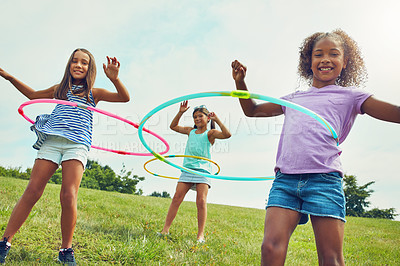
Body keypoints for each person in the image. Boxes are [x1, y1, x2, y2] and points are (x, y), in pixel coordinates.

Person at [231, 29, 400, 265]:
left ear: (345, 62)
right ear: (309, 62)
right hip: (286, 181)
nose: (325, 59)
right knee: (270, 248)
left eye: (334, 54)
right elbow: (253, 110)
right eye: (318, 54)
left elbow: (394, 112)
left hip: (324, 181)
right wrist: (240, 82)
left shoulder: (351, 96)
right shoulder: (292, 99)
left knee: (330, 259)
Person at [0, 48, 130, 265]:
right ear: (69, 65)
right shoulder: (59, 90)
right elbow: (32, 96)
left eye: (84, 63)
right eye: (75, 61)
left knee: (68, 195)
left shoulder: (93, 93)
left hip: (76, 145)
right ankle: (4, 242)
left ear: (90, 68)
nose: (79, 65)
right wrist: (10, 77)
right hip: (52, 141)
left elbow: (124, 98)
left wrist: (115, 79)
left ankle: (65, 250)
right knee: (32, 190)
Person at [159, 101, 231, 242]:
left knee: (201, 201)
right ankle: (165, 230)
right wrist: (180, 112)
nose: (197, 119)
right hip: (187, 169)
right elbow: (173, 126)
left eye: (200, 116)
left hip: (203, 171)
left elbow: (227, 135)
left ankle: (200, 235)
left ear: (207, 118)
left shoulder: (211, 133)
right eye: (195, 117)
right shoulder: (190, 131)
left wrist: (217, 120)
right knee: (176, 198)